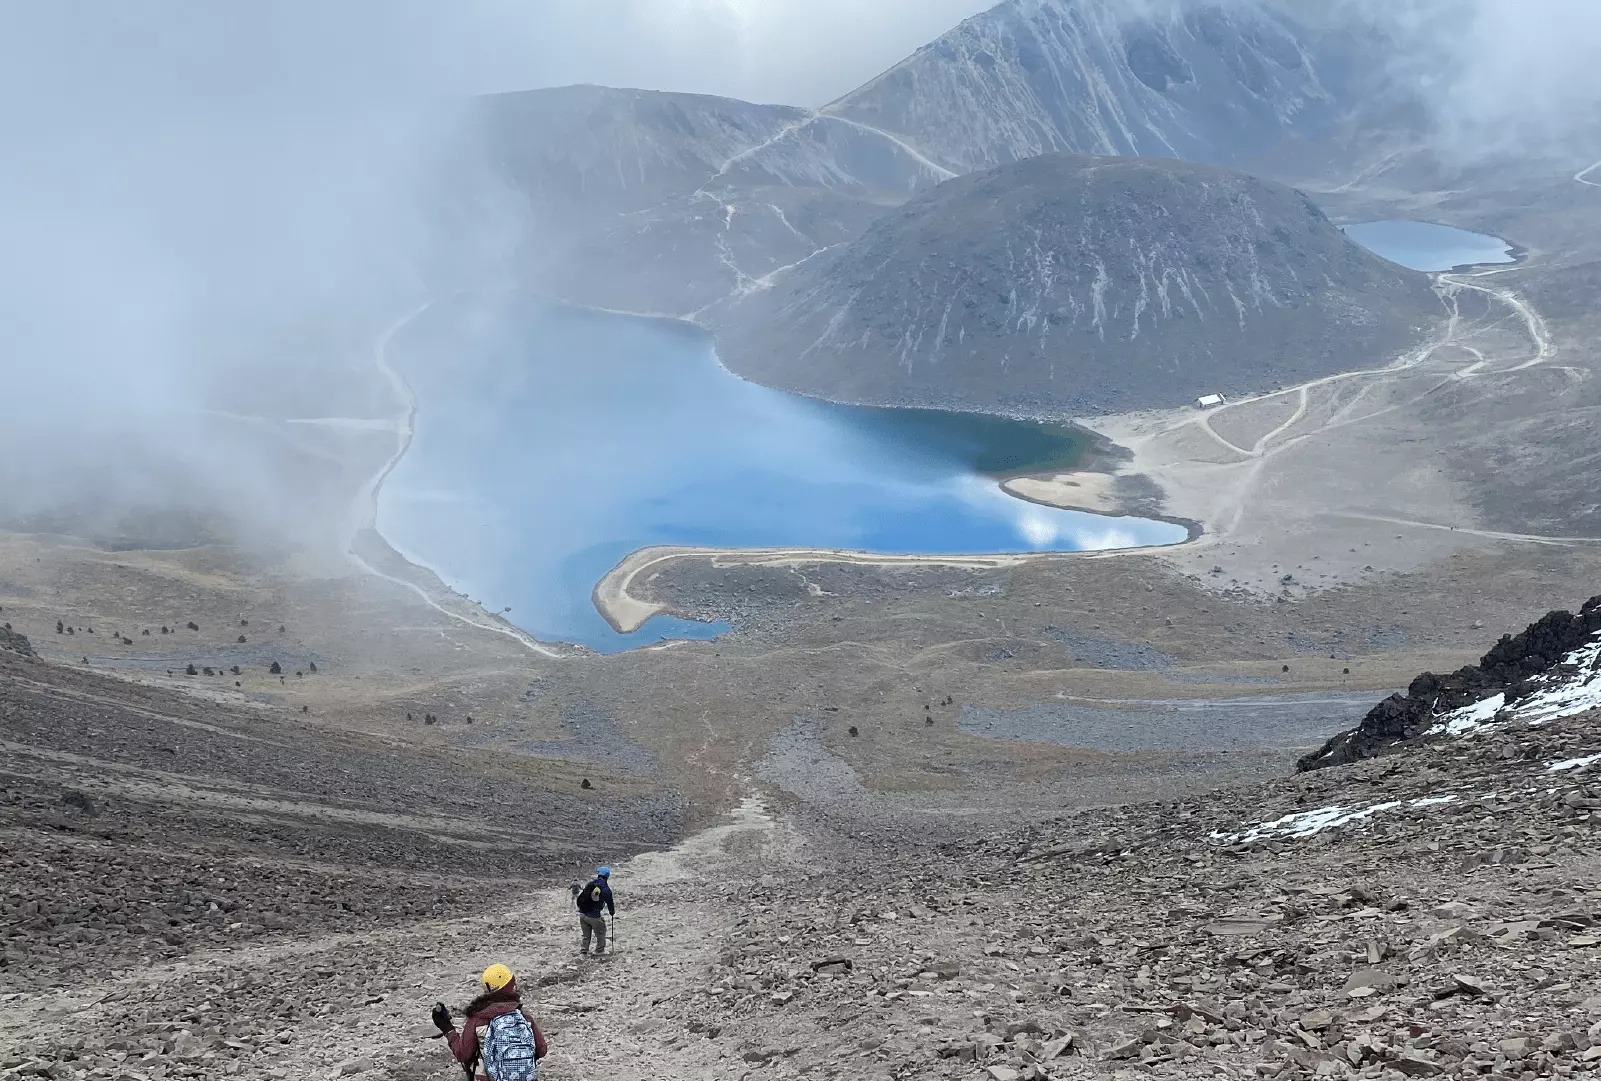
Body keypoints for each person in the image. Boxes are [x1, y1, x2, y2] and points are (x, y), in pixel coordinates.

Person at [431, 964, 547, 1081]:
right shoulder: (524, 1019)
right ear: (512, 987)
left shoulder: (477, 1020)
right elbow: (542, 1050)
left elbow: (463, 1054)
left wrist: (447, 1029)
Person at [575, 865, 615, 957]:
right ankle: (599, 951)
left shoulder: (590, 884)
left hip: (582, 915)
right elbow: (610, 902)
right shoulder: (606, 889)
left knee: (586, 935)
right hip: (594, 916)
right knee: (601, 933)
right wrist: (612, 912)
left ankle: (583, 951)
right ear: (607, 876)